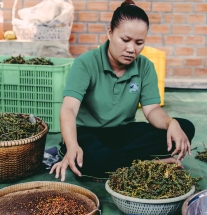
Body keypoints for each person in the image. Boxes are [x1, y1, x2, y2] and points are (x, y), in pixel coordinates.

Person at [50, 0, 195, 182]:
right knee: (92, 157)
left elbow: (151, 110)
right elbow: (69, 109)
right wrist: (72, 145)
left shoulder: (145, 66)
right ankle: (149, 163)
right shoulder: (85, 63)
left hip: (124, 133)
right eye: (125, 40)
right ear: (110, 32)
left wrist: (170, 122)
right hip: (87, 133)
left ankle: (120, 162)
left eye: (139, 42)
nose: (131, 49)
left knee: (185, 127)